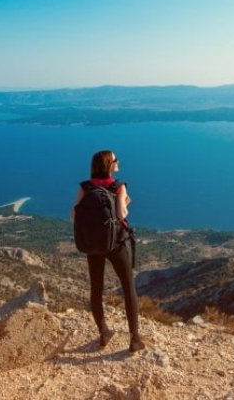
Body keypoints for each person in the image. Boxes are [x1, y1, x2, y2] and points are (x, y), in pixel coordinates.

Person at [71, 149, 145, 353]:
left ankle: (104, 333)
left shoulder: (85, 187)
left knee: (96, 288)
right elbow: (121, 214)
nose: (118, 162)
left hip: (93, 245)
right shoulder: (117, 187)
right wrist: (126, 202)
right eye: (115, 160)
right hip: (116, 244)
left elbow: (73, 215)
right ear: (109, 165)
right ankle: (135, 339)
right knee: (128, 287)